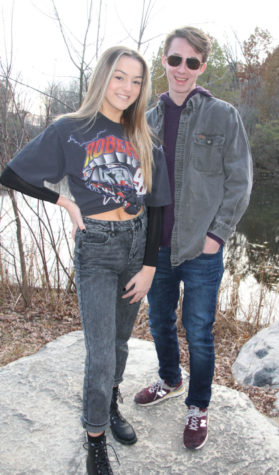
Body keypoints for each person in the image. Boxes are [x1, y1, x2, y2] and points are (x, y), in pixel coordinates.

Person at [0, 46, 171, 474]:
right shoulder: (71, 129)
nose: (127, 88)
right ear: (102, 78)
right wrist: (64, 201)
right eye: (119, 77)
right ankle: (94, 435)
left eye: (136, 81)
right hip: (95, 247)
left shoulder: (145, 137)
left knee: (119, 343)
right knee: (99, 353)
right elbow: (12, 174)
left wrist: (150, 266)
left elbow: (157, 207)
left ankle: (110, 405)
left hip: (136, 246)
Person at [134, 26, 253, 450]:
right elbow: (136, 187)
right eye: (175, 59)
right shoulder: (146, 120)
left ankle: (198, 405)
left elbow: (239, 183)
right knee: (158, 322)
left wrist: (216, 236)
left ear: (202, 66)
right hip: (156, 251)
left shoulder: (223, 115)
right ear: (163, 61)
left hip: (202, 251)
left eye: (192, 62)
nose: (182, 69)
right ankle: (169, 378)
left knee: (199, 331)